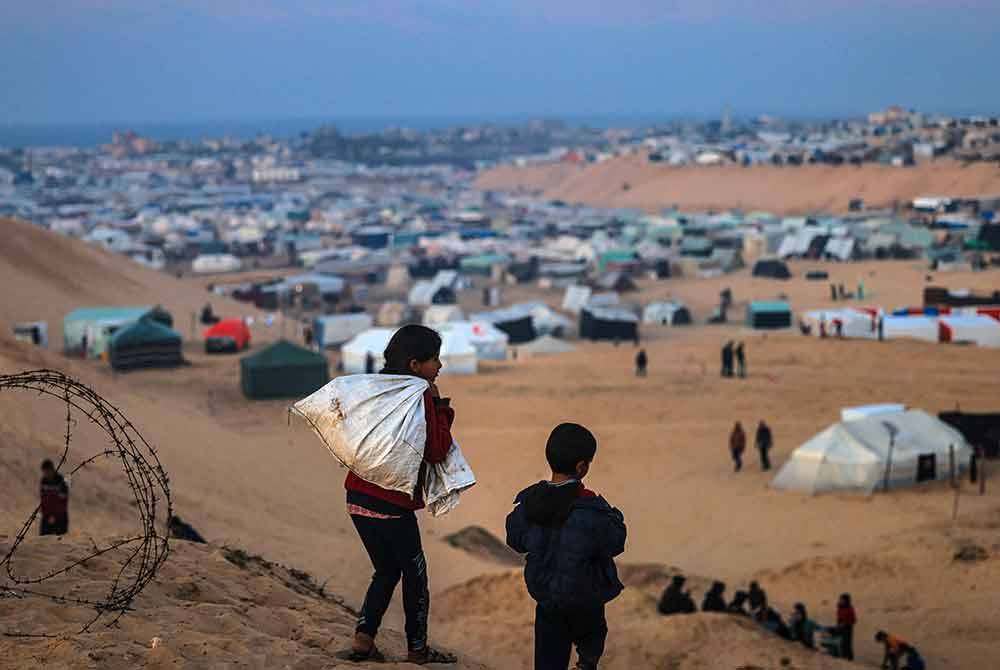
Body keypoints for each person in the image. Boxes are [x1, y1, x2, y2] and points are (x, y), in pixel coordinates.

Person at [346, 325, 457, 665]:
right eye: (433, 359)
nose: (439, 365)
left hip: (356, 496)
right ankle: (417, 650)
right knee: (415, 576)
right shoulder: (418, 396)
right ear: (414, 366)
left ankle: (363, 640)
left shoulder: (378, 388)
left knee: (385, 571)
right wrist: (439, 405)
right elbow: (437, 450)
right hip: (391, 504)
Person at [506, 423, 627, 670]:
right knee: (594, 634)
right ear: (581, 467)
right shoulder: (591, 509)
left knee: (548, 658)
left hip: (547, 598)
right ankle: (586, 662)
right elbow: (616, 541)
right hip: (585, 600)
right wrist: (612, 513)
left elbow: (515, 539)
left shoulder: (530, 502)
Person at [39, 460, 69, 536]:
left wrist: (54, 516)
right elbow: (43, 500)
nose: (46, 474)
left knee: (60, 540)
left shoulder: (61, 481)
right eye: (44, 472)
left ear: (52, 470)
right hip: (46, 516)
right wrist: (46, 514)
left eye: (47, 472)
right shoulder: (44, 481)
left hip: (60, 517)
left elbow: (63, 502)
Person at [836, 593, 857, 661]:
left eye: (842, 599)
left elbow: (853, 619)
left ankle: (849, 659)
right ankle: (843, 657)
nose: (841, 600)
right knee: (841, 643)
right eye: (840, 599)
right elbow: (838, 617)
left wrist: (846, 623)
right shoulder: (839, 607)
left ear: (846, 600)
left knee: (847, 643)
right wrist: (839, 624)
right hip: (840, 627)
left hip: (848, 628)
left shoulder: (850, 608)